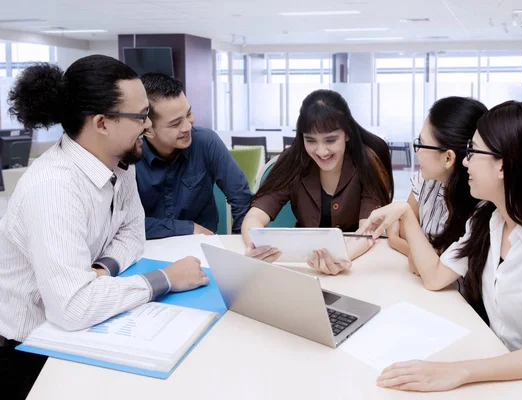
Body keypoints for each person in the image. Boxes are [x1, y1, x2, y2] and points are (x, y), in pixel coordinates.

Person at [0, 56, 209, 399]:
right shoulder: (54, 188)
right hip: (29, 352)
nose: (149, 127)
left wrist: (102, 268)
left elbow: (132, 231)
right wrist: (166, 279)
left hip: (74, 335)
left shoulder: (119, 161)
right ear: (101, 123)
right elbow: (73, 307)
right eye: (142, 116)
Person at [360, 101, 522, 399]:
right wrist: (406, 214)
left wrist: (458, 371)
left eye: (473, 152)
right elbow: (434, 276)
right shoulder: (489, 218)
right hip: (499, 365)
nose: (465, 162)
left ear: (504, 164)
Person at [241, 89, 393, 275]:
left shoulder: (367, 161)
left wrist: (341, 258)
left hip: (357, 262)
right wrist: (255, 248)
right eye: (311, 140)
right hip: (303, 266)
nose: (321, 151)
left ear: (347, 134)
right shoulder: (294, 160)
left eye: (330, 140)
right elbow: (254, 217)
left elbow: (368, 231)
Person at [135, 73, 252, 239]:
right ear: (148, 129)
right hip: (146, 248)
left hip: (202, 246)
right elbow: (123, 224)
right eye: (175, 124)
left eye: (188, 114)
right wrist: (186, 228)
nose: (187, 126)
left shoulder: (206, 142)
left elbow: (241, 198)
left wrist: (238, 244)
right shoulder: (130, 156)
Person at [388, 97, 487, 274]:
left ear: (448, 158)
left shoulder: (482, 208)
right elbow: (404, 230)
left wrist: (403, 244)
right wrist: (413, 250)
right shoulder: (425, 180)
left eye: (422, 144)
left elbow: (437, 268)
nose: (416, 151)